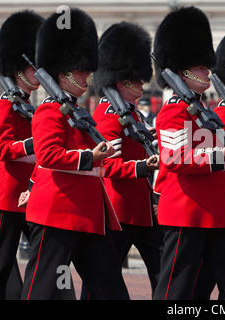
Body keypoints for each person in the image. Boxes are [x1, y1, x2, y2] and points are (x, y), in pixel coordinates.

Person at [20, 8, 129, 300]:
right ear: (62, 73)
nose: (86, 76)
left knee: (111, 287)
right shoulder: (48, 111)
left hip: (87, 214)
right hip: (57, 213)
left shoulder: (79, 112)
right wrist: (89, 157)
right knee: (42, 288)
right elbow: (49, 155)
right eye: (80, 71)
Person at [151, 6, 225, 300]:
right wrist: (219, 157)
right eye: (200, 68)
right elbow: (175, 159)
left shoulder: (202, 111)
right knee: (174, 292)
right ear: (183, 71)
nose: (207, 72)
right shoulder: (173, 112)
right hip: (186, 213)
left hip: (215, 215)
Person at [89, 21, 162, 298]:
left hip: (141, 209)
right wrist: (142, 167)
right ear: (121, 81)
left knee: (164, 270)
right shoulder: (109, 114)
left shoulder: (132, 114)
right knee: (104, 276)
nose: (142, 83)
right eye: (136, 79)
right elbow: (107, 164)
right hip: (119, 210)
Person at [0, 11, 43, 300]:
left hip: (31, 194)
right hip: (7, 196)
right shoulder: (3, 106)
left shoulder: (31, 107)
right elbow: (0, 149)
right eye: (32, 68)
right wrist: (34, 144)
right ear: (18, 70)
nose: (37, 73)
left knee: (45, 260)